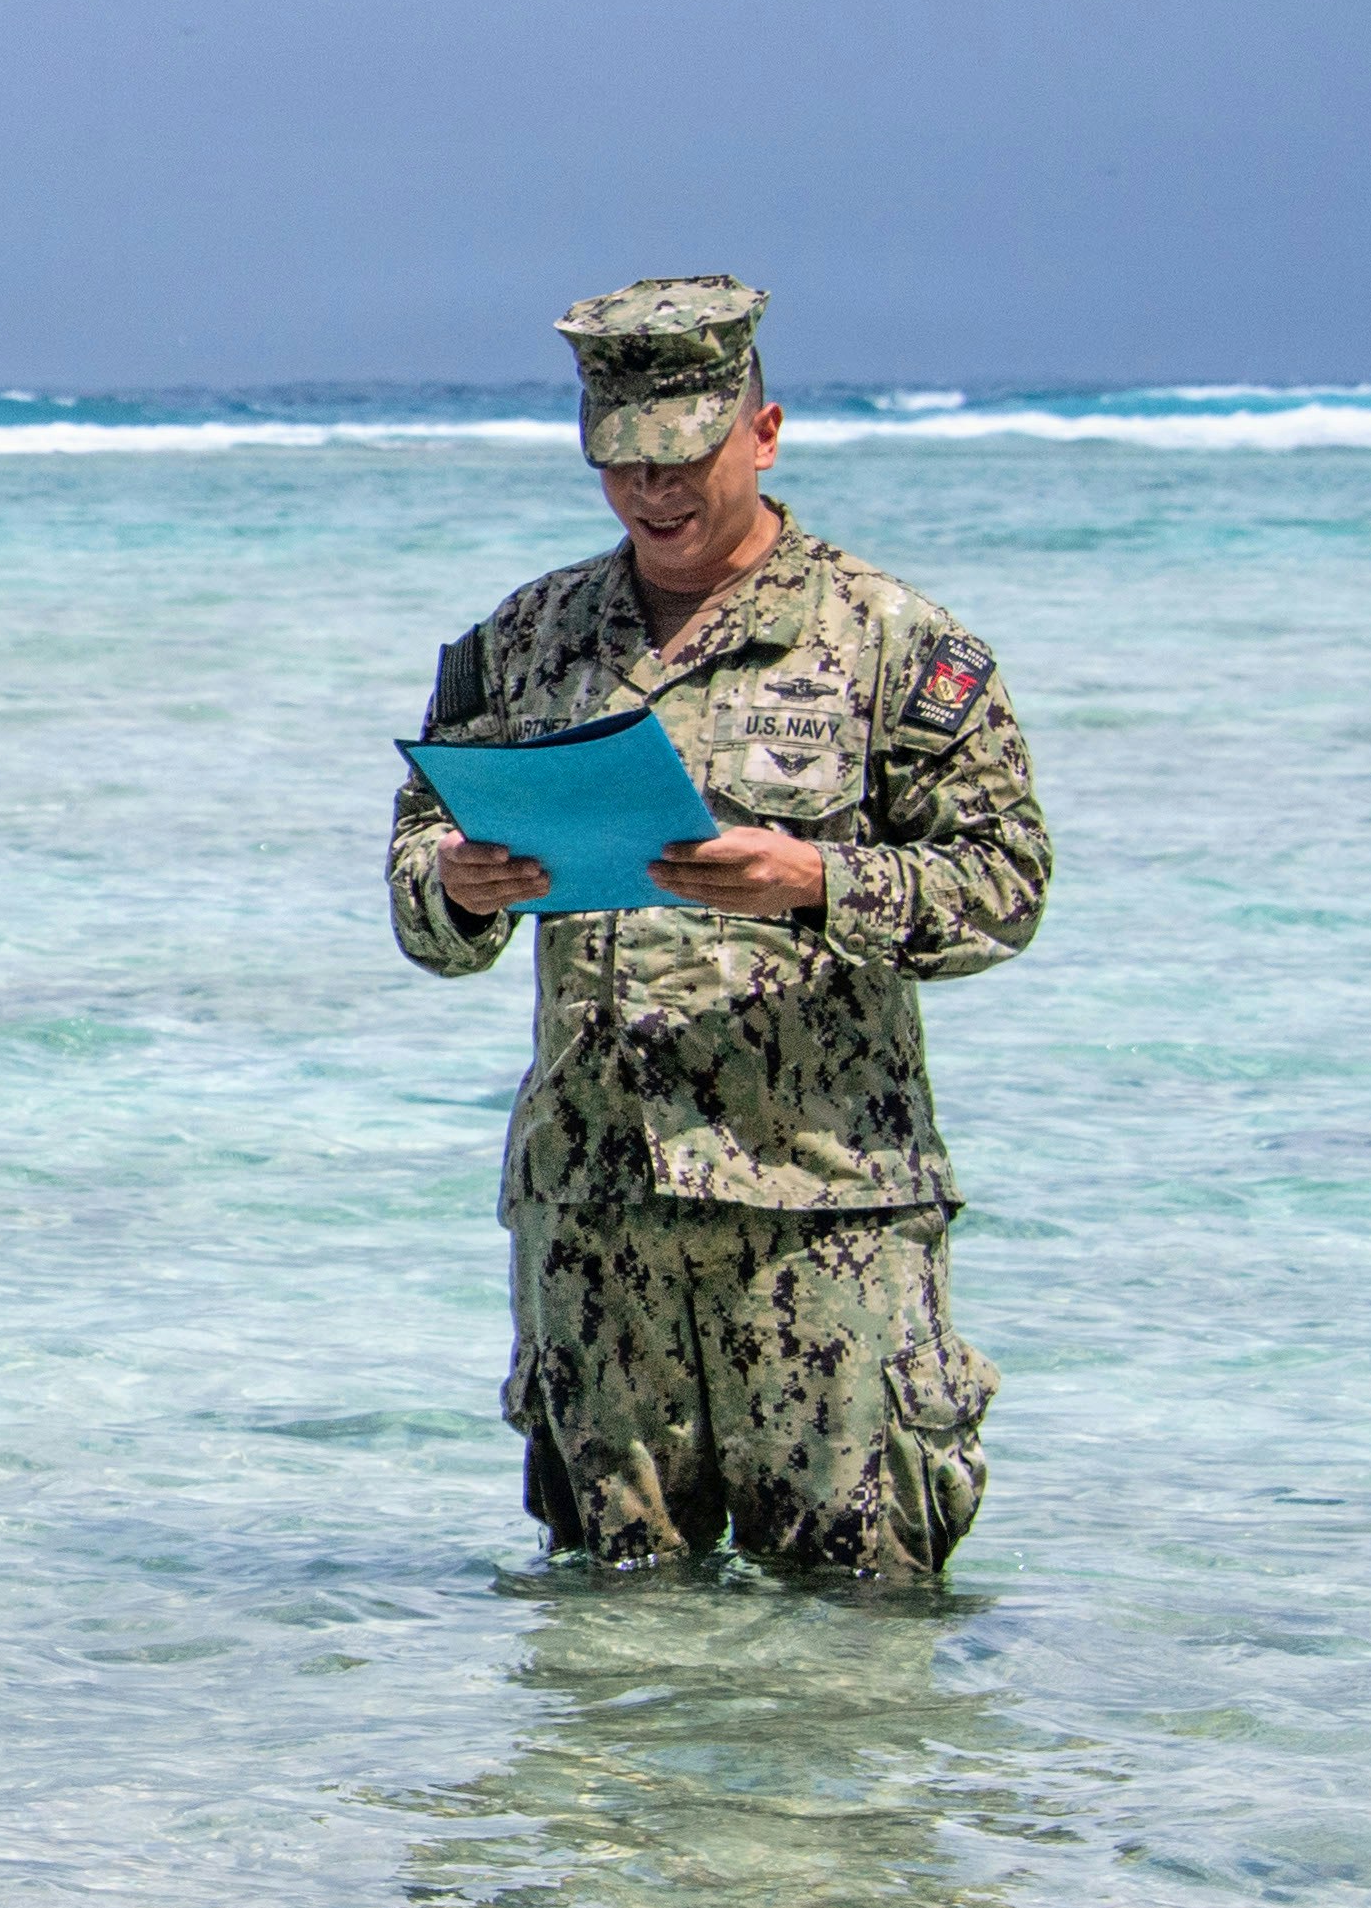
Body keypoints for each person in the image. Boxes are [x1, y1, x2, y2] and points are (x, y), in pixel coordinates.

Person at [389, 276, 1052, 1580]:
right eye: (620, 462)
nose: (653, 491)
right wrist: (453, 887)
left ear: (761, 432)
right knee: (608, 1625)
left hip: (823, 1216)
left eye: (683, 455)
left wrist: (820, 880)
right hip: (592, 1208)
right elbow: (417, 871)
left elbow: (1003, 885)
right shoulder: (518, 646)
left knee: (859, 1626)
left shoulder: (891, 644)